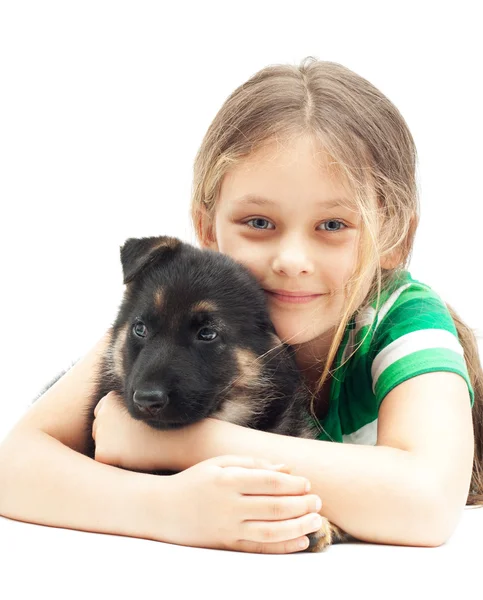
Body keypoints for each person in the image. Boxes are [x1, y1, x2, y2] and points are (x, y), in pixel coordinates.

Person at [1, 57, 482, 554]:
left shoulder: (405, 321)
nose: (292, 260)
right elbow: (13, 468)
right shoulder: (180, 315)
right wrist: (166, 508)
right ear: (208, 229)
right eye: (258, 222)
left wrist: (183, 442)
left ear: (393, 238)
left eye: (333, 225)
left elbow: (426, 504)